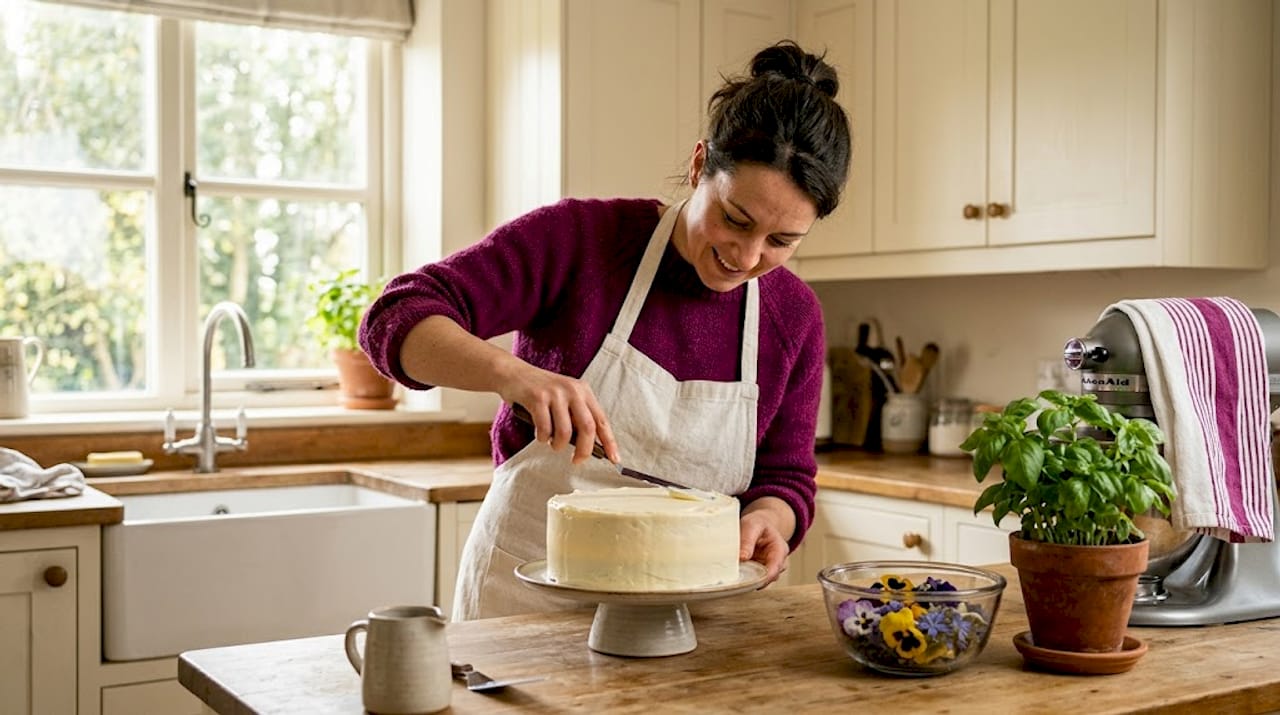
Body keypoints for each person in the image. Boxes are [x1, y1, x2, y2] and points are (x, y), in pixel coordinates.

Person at [359, 40, 851, 621]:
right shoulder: (582, 241)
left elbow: (786, 476)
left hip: (687, 614)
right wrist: (514, 375)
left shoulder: (793, 316)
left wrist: (771, 519)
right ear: (699, 166)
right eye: (735, 219)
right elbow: (395, 316)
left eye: (781, 242)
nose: (746, 257)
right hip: (526, 596)